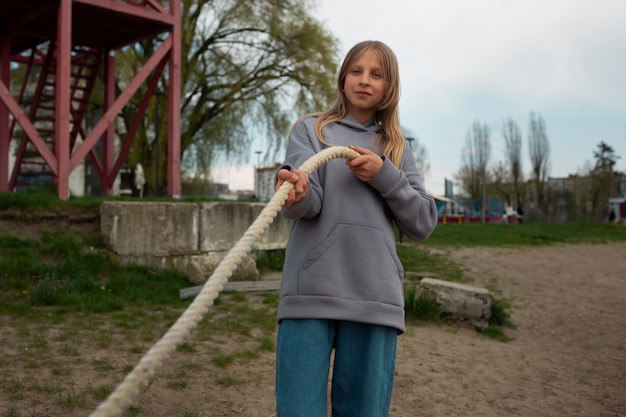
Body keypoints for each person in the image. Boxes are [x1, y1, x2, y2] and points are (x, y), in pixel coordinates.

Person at [273, 40, 438, 417]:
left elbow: (423, 224)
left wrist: (386, 177)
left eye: (376, 74)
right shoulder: (309, 130)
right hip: (310, 294)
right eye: (356, 70)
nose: (364, 80)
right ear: (343, 77)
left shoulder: (396, 148)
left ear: (389, 87)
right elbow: (307, 205)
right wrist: (294, 191)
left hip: (375, 297)